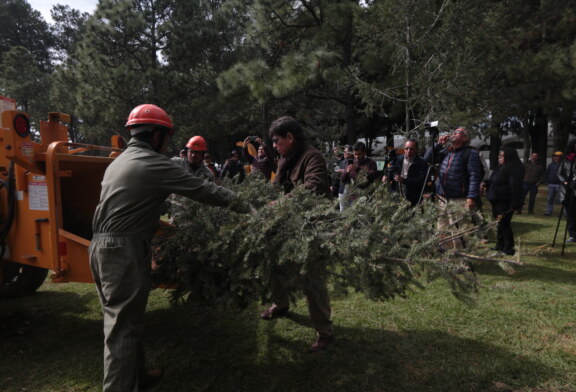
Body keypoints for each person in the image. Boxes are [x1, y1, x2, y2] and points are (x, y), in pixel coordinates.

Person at [89, 104, 246, 392]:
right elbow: (206, 191)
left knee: (125, 321)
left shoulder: (119, 162)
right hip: (122, 250)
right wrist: (247, 206)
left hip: (100, 248)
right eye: (167, 136)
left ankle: (137, 376)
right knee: (121, 329)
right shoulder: (153, 163)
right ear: (156, 135)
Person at [259, 116, 334, 353]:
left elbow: (314, 185)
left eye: (276, 140)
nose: (274, 145)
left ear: (290, 137)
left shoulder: (312, 157)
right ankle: (280, 304)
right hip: (288, 223)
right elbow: (277, 186)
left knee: (312, 278)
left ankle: (324, 331)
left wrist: (280, 205)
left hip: (312, 226)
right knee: (277, 265)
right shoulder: (285, 158)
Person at [424, 126, 483, 249]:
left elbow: (474, 176)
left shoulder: (471, 153)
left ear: (465, 138)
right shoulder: (446, 151)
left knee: (459, 230)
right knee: (442, 228)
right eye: (454, 131)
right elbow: (426, 160)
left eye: (458, 132)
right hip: (442, 198)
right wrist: (438, 144)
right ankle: (446, 257)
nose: (453, 133)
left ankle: (461, 259)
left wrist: (471, 197)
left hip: (459, 198)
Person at [484, 147, 524, 255]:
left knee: (504, 224)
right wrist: (486, 184)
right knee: (499, 224)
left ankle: (508, 248)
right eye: (499, 156)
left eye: (502, 156)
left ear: (508, 157)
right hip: (496, 200)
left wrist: (515, 204)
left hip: (505, 202)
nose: (499, 158)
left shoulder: (514, 169)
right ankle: (500, 245)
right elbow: (494, 180)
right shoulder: (501, 167)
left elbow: (515, 187)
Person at [381, 139, 428, 207]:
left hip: (413, 198)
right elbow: (389, 171)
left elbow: (421, 181)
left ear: (416, 150)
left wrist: (404, 180)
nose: (408, 151)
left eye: (411, 149)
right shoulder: (397, 159)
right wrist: (385, 176)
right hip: (397, 196)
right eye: (406, 148)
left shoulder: (421, 163)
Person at [339, 141, 378, 207]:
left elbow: (371, 178)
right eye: (355, 154)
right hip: (352, 198)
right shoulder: (351, 162)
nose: (357, 157)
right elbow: (342, 179)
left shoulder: (371, 163)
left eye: (359, 154)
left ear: (364, 152)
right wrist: (346, 171)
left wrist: (358, 169)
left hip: (366, 197)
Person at [557, 139, 576, 243]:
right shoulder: (566, 160)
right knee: (570, 213)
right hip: (567, 190)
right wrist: (565, 182)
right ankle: (573, 234)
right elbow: (559, 173)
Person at [544, 151, 563, 216]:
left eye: (558, 156)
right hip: (551, 185)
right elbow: (547, 173)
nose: (556, 157)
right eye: (555, 156)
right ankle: (548, 212)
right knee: (550, 199)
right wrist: (546, 181)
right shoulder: (551, 165)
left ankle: (563, 214)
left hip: (561, 185)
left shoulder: (563, 164)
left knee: (562, 200)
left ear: (561, 157)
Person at [337, 145, 353, 211]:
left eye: (346, 152)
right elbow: (339, 176)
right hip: (342, 187)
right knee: (342, 209)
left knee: (351, 208)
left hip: (351, 187)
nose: (344, 153)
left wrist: (345, 171)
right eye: (344, 152)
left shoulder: (354, 162)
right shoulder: (342, 162)